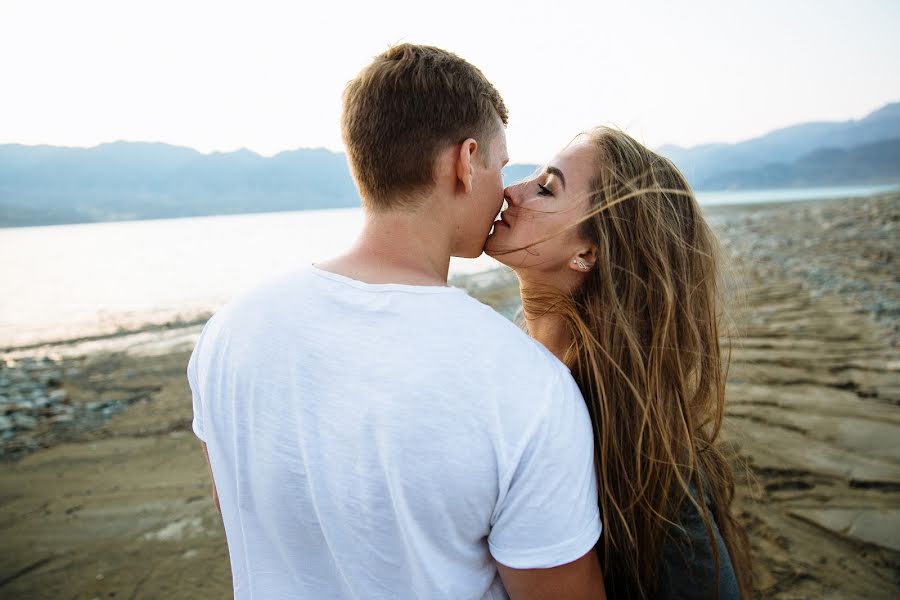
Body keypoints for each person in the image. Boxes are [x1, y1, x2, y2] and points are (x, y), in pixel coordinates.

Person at [188, 44, 605, 599]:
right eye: (501, 165)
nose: (507, 189)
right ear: (465, 161)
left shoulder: (229, 332)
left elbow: (243, 508)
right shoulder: (524, 384)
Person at [485, 127, 753, 599]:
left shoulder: (642, 452)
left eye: (546, 188)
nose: (512, 190)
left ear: (586, 253)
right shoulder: (511, 358)